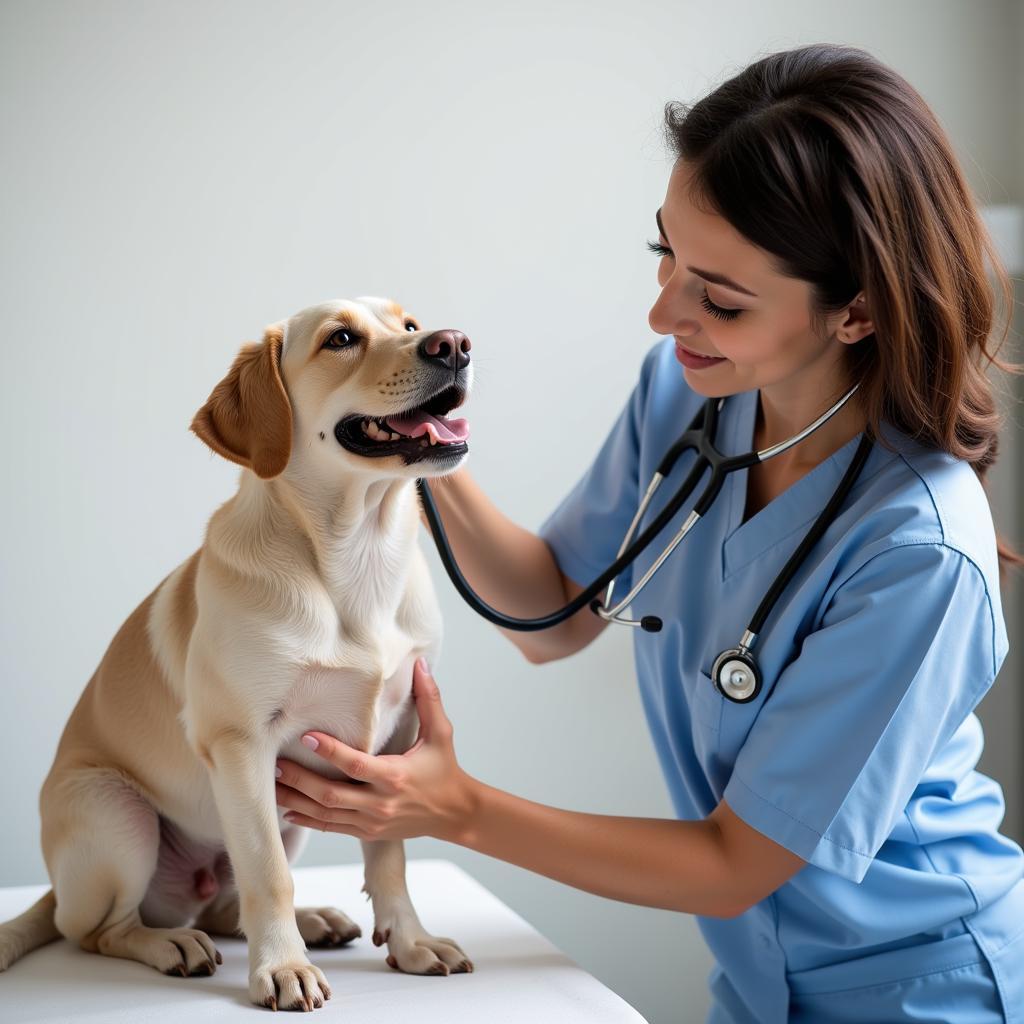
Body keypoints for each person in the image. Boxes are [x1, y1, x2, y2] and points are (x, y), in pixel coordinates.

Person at [274, 43, 1024, 1023]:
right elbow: (549, 613)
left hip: (921, 986)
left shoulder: (919, 550)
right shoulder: (689, 392)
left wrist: (454, 807)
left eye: (719, 297)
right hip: (757, 984)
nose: (664, 310)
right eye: (665, 254)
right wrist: (412, 442)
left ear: (857, 310)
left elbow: (733, 863)